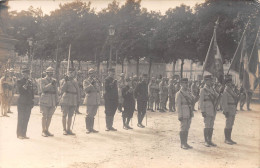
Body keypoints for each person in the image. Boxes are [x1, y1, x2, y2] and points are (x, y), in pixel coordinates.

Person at [59, 68, 80, 135]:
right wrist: (65, 82)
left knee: (70, 115)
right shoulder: (63, 80)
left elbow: (78, 91)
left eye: (72, 72)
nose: (71, 74)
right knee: (64, 115)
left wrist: (78, 100)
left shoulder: (75, 81)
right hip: (66, 98)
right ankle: (64, 129)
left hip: (73, 99)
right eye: (69, 72)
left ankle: (68, 129)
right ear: (67, 73)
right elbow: (61, 90)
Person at [199, 75, 219, 147]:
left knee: (211, 125)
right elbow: (201, 102)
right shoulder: (203, 90)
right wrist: (202, 111)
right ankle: (206, 141)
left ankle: (210, 140)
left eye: (211, 80)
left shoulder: (212, 89)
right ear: (206, 81)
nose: (211, 82)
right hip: (207, 110)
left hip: (213, 109)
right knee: (207, 125)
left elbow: (218, 96)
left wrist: (220, 90)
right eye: (209, 80)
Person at [39, 67, 58, 137]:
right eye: (49, 72)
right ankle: (43, 130)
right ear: (46, 73)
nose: (51, 73)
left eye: (52, 72)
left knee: (50, 116)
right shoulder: (42, 80)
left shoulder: (54, 80)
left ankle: (47, 130)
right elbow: (43, 89)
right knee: (44, 116)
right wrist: (51, 84)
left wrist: (57, 99)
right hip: (45, 99)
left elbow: (56, 91)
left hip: (52, 100)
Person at [176, 78, 194, 149]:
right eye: (184, 83)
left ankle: (185, 143)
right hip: (183, 112)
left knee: (187, 128)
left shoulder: (189, 93)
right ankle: (182, 143)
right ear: (181, 84)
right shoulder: (179, 93)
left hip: (189, 111)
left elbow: (193, 101)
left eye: (187, 83)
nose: (186, 84)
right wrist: (179, 115)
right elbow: (178, 105)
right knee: (183, 128)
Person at [16, 67, 34, 139]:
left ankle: (24, 134)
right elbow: (20, 91)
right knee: (21, 118)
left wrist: (32, 100)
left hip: (28, 103)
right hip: (21, 102)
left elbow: (32, 92)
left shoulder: (30, 81)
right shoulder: (19, 81)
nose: (26, 75)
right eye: (25, 73)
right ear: (22, 74)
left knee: (26, 118)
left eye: (27, 74)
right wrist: (26, 85)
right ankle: (19, 134)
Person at [221, 75, 239, 145]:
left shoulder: (231, 90)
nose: (230, 84)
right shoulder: (225, 91)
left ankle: (229, 138)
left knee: (231, 124)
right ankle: (226, 139)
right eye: (228, 83)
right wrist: (226, 111)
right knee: (228, 124)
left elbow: (235, 98)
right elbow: (224, 103)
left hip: (233, 109)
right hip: (229, 109)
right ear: (226, 84)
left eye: (230, 82)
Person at [83, 68, 100, 134]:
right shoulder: (86, 81)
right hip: (90, 98)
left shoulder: (96, 81)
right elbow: (86, 90)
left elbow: (98, 89)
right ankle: (87, 128)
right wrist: (91, 84)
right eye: (90, 73)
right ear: (88, 74)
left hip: (95, 99)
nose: (92, 74)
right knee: (89, 114)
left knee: (93, 114)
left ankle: (91, 128)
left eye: (93, 73)